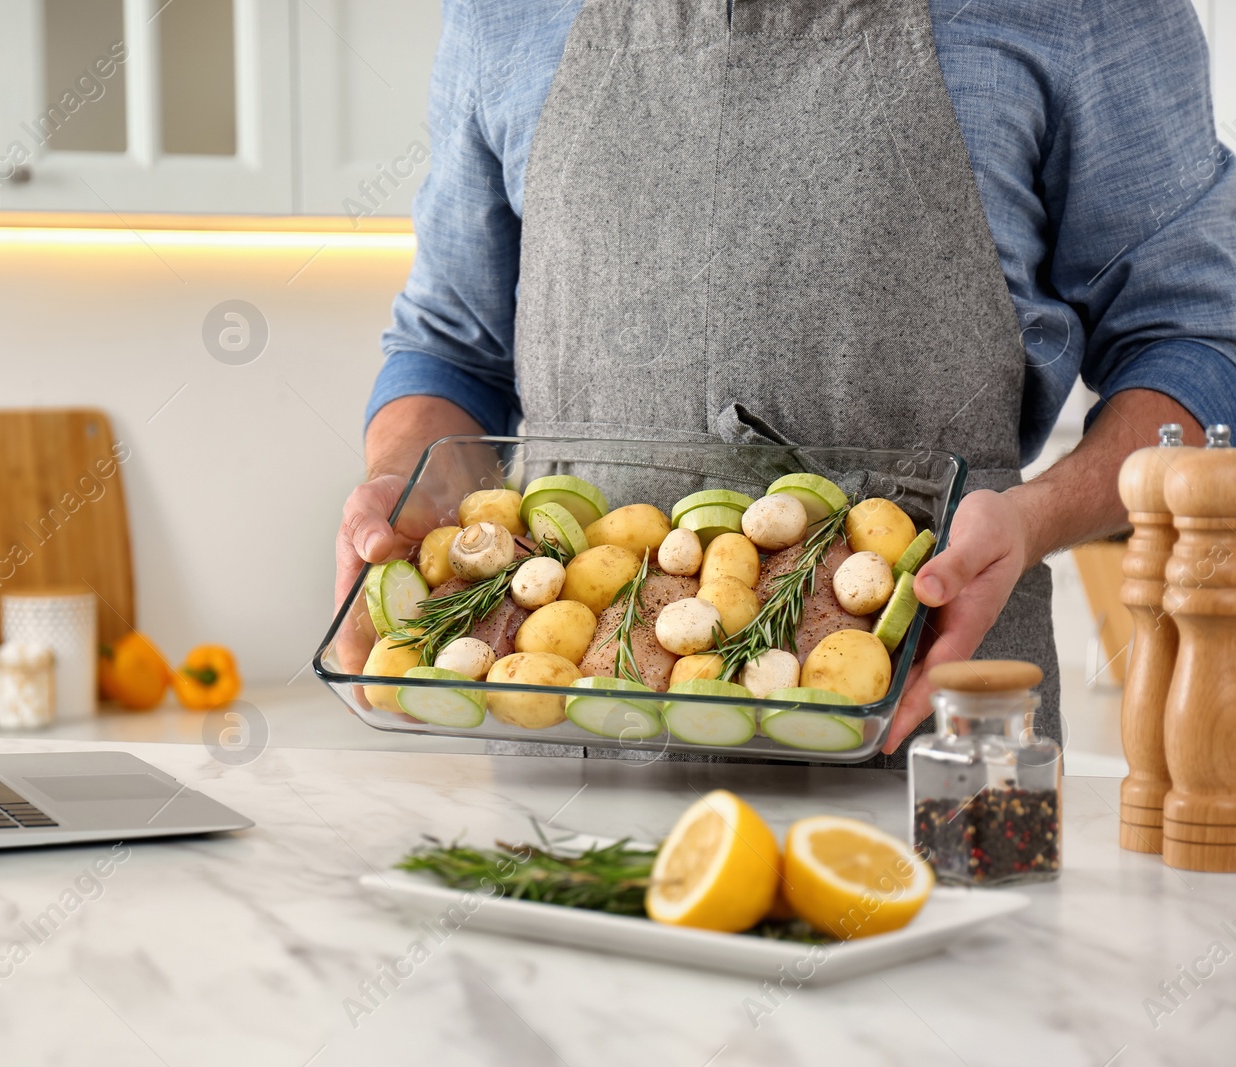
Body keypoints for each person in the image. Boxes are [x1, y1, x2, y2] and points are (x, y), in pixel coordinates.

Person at [336, 0, 1236, 767]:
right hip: (566, 743)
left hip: (935, 739)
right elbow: (453, 347)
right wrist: (407, 488)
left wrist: (1037, 517)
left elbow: (1200, 342)